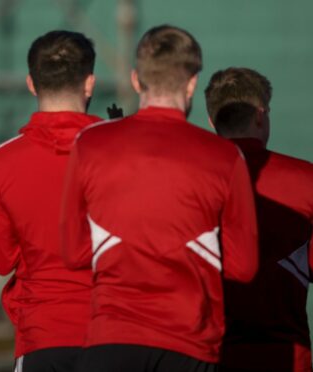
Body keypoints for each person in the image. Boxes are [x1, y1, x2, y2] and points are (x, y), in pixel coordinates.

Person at [60, 25, 259, 372]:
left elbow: (73, 252)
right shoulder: (225, 157)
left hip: (112, 338)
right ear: (192, 82)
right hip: (189, 342)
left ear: (137, 80)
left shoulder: (90, 144)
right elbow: (244, 267)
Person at [0, 30, 102, 371]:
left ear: (32, 83)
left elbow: (0, 260)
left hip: (42, 333)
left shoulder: (1, 162)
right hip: (116, 331)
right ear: (89, 83)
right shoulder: (123, 153)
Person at [205, 67, 313, 372]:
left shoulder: (191, 179)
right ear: (261, 115)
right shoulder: (306, 179)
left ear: (213, 121)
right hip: (286, 355)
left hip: (206, 354)